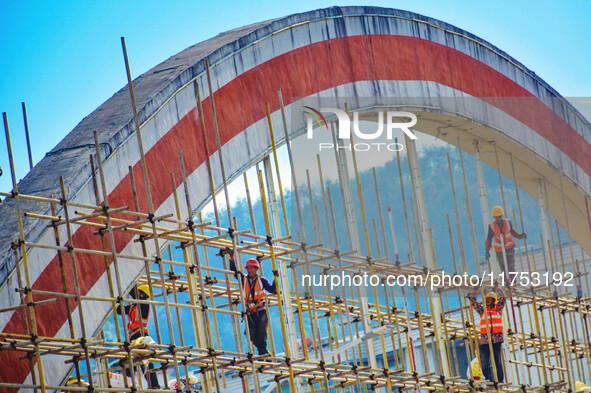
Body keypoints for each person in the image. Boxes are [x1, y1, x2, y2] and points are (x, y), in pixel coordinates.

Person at [220, 247, 278, 356]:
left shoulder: (262, 280)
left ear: (256, 269)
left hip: (260, 310)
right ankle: (264, 353)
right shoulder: (243, 279)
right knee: (251, 335)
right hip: (250, 312)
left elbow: (272, 290)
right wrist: (231, 258)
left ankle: (263, 355)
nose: (250, 270)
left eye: (252, 268)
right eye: (249, 268)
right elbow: (234, 271)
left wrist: (276, 278)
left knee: (261, 334)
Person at [117, 284, 160, 389]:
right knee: (131, 360)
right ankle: (128, 384)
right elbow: (119, 311)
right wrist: (118, 300)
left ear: (144, 295)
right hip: (132, 337)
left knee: (145, 361)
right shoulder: (133, 306)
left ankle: (154, 385)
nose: (139, 294)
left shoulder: (144, 304)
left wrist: (127, 283)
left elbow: (136, 296)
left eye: (141, 292)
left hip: (140, 335)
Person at [468, 290, 506, 383]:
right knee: (485, 361)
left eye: (489, 299)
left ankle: (500, 381)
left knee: (497, 361)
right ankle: (486, 380)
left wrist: (497, 288)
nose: (487, 300)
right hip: (485, 339)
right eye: (486, 299)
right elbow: (473, 302)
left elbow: (503, 298)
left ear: (494, 300)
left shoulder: (498, 309)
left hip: (496, 339)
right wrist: (475, 289)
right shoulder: (482, 311)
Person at [484, 206, 526, 276]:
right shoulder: (492, 226)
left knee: (511, 267)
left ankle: (512, 282)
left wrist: (519, 236)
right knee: (503, 269)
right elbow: (489, 239)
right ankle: (506, 283)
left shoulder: (507, 222)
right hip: (499, 251)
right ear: (494, 217)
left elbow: (512, 231)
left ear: (502, 216)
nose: (498, 219)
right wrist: (487, 250)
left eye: (499, 217)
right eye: (496, 217)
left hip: (509, 249)